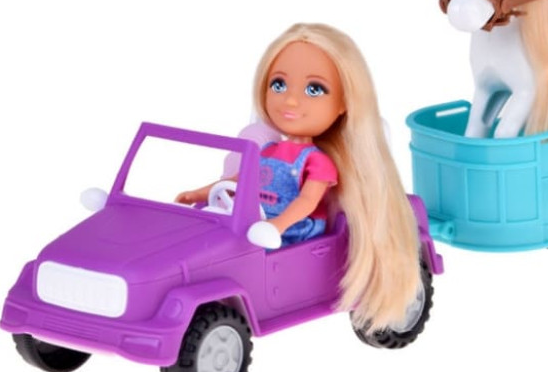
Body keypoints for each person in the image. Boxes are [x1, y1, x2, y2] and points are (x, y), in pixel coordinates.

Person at [177, 23, 421, 333]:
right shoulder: (267, 150)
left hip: (295, 230)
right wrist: (198, 194)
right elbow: (240, 180)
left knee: (239, 251)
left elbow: (307, 201)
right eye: (278, 85)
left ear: (344, 103)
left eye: (314, 89)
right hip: (258, 221)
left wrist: (277, 225)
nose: (290, 101)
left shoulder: (317, 162)